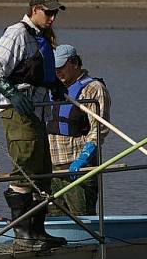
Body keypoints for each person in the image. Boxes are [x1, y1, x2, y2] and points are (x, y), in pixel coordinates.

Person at [0, 0, 69, 251]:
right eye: (48, 12)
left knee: (43, 171)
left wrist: (54, 85)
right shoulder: (17, 33)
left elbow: (40, 72)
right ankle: (22, 236)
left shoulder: (40, 38)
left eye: (55, 13)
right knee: (25, 168)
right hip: (18, 112)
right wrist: (10, 93)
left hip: (39, 113)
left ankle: (38, 231)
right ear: (34, 10)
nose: (52, 18)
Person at [47, 44, 111, 216]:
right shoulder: (51, 89)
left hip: (78, 167)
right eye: (54, 68)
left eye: (61, 68)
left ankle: (89, 242)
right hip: (51, 168)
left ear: (74, 63)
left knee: (82, 218)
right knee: (51, 219)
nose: (57, 72)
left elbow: (100, 128)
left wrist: (84, 158)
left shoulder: (93, 89)